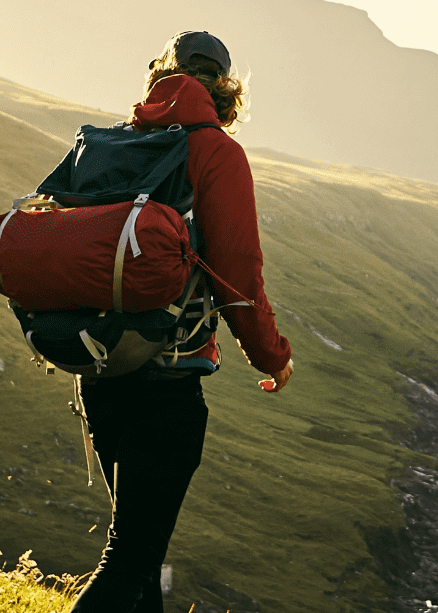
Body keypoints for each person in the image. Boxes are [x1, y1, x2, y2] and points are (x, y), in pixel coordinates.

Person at [69, 31, 294, 613]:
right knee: (129, 560)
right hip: (167, 385)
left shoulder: (118, 142)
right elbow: (238, 278)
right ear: (224, 90)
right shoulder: (216, 153)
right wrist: (273, 356)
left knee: (141, 561)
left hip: (101, 369)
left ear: (161, 76)